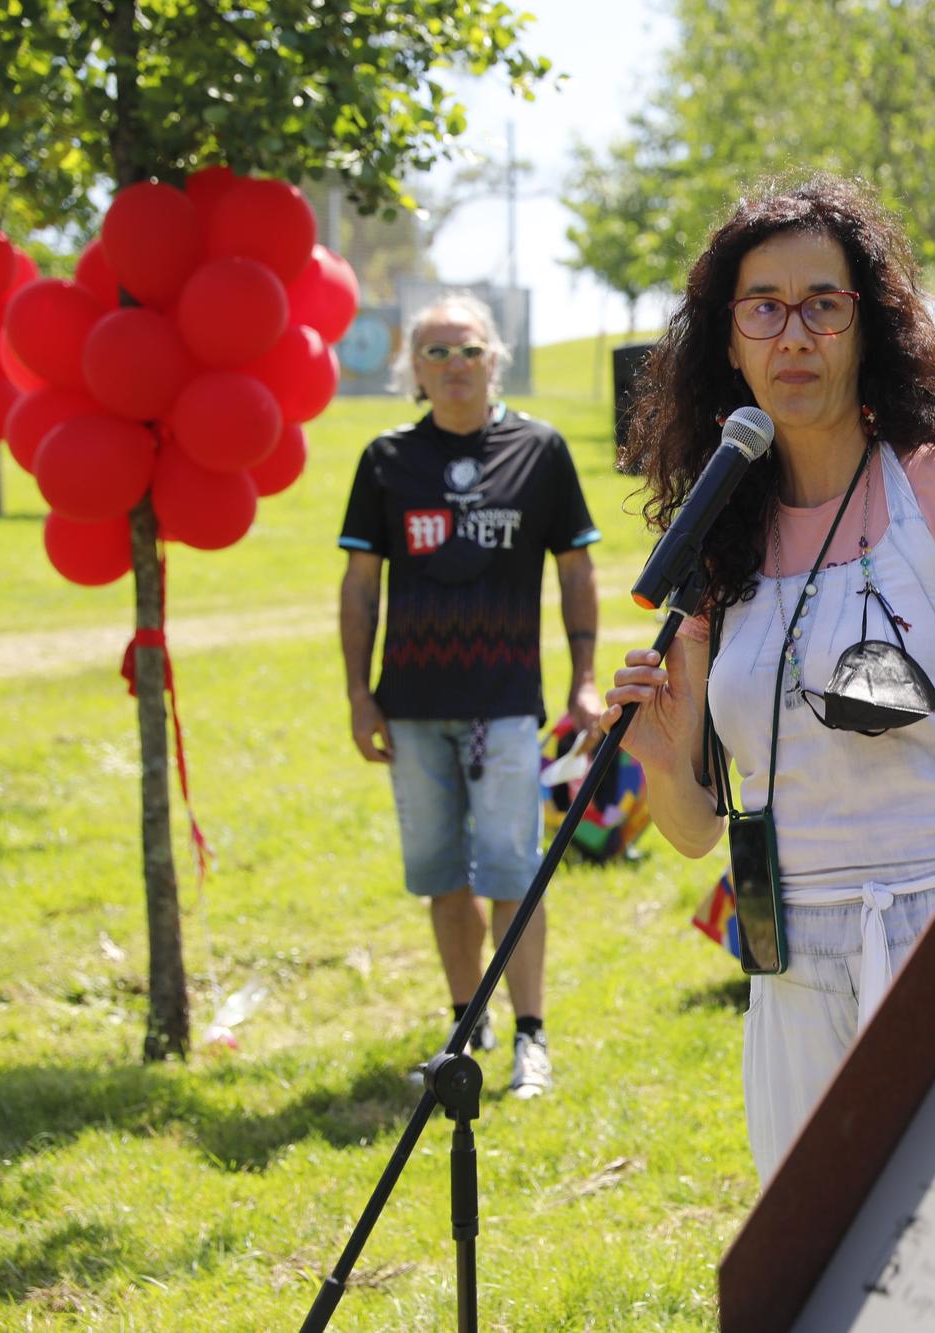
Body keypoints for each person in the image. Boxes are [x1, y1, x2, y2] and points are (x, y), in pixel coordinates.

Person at [602, 175, 935, 1179]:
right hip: (789, 962)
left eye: (822, 304)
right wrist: (660, 758)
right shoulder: (716, 545)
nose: (791, 335)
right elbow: (695, 830)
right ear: (728, 341)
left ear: (868, 326)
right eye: (762, 308)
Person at [338, 292, 603, 1100]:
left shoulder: (540, 450)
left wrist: (584, 676)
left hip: (504, 705)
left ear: (497, 358)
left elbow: (577, 569)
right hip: (412, 707)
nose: (455, 366)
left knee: (512, 871)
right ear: (411, 370)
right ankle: (466, 1027)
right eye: (437, 353)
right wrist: (358, 692)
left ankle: (532, 1039)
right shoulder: (385, 460)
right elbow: (359, 586)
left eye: (470, 350)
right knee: (443, 874)